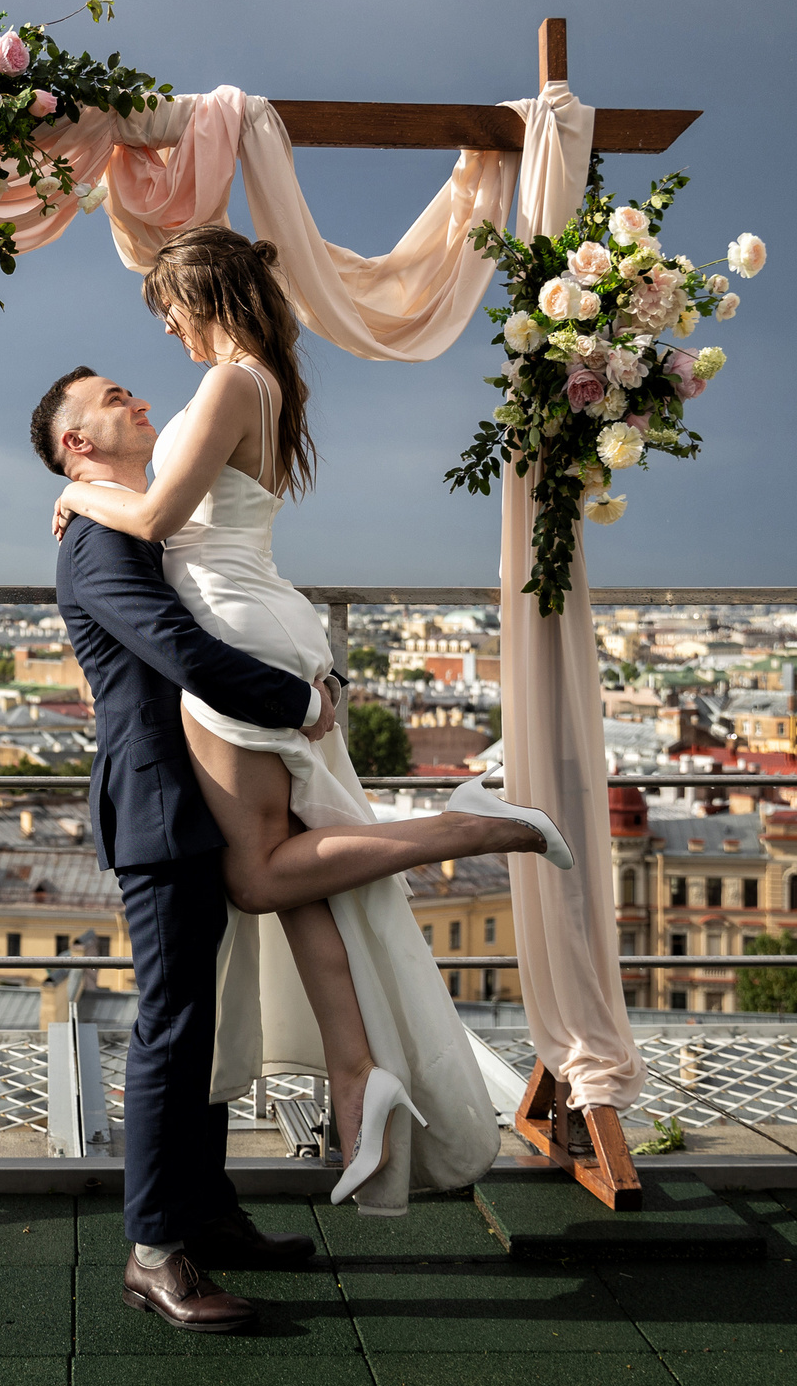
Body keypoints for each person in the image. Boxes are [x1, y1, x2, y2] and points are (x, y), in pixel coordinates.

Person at [46, 225, 571, 1215]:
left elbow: (156, 520)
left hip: (244, 638)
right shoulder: (267, 385)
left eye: (167, 309)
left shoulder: (231, 385)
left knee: (257, 871)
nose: (167, 334)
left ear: (200, 296)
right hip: (267, 620)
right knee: (298, 875)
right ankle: (355, 1074)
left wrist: (76, 490)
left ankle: (474, 824)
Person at [36, 364, 340, 1332]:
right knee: (172, 1022)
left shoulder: (125, 519)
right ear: (76, 444)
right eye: (108, 399)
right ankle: (155, 1248)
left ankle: (204, 1213)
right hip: (162, 806)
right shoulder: (95, 543)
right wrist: (302, 703)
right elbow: (179, 649)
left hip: (199, 797)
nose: (134, 397)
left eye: (128, 387)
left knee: (200, 1019)